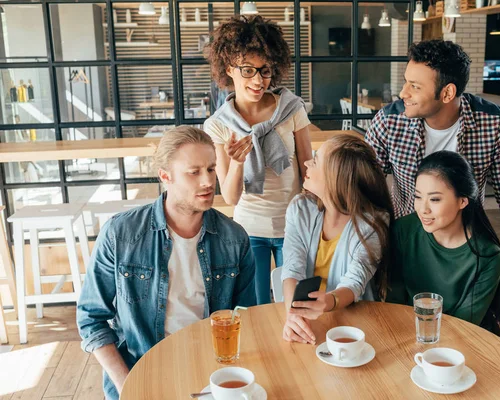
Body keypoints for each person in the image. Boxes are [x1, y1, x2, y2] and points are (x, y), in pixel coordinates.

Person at [76, 126, 257, 400]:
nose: (208, 181)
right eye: (194, 172)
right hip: (140, 373)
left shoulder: (234, 239)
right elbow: (91, 319)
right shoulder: (121, 235)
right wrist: (128, 386)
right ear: (165, 176)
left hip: (210, 376)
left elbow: (246, 317)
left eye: (211, 169)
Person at [365, 39, 500, 298]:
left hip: (466, 250)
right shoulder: (388, 122)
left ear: (447, 93)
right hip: (407, 242)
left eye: (415, 86)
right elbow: (363, 187)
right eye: (406, 82)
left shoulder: (494, 123)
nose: (403, 93)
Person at [203, 15, 313, 305]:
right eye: (248, 70)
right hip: (250, 229)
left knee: (298, 303)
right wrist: (238, 162)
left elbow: (308, 171)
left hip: (294, 226)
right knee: (257, 307)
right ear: (229, 69)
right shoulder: (219, 124)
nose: (258, 80)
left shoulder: (292, 109)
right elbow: (230, 197)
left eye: (265, 71)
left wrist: (316, 218)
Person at [388, 151, 500, 340]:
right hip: (413, 338)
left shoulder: (488, 257)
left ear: (463, 201)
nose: (423, 209)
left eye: (435, 199)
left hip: (466, 344)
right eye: (418, 196)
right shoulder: (402, 231)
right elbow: (395, 305)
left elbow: (464, 326)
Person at [281, 135, 393, 344]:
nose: (306, 162)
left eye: (315, 161)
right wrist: (293, 315)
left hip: (356, 329)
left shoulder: (373, 224)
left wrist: (329, 301)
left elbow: (355, 281)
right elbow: (292, 267)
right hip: (309, 324)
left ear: (335, 179)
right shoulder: (300, 209)